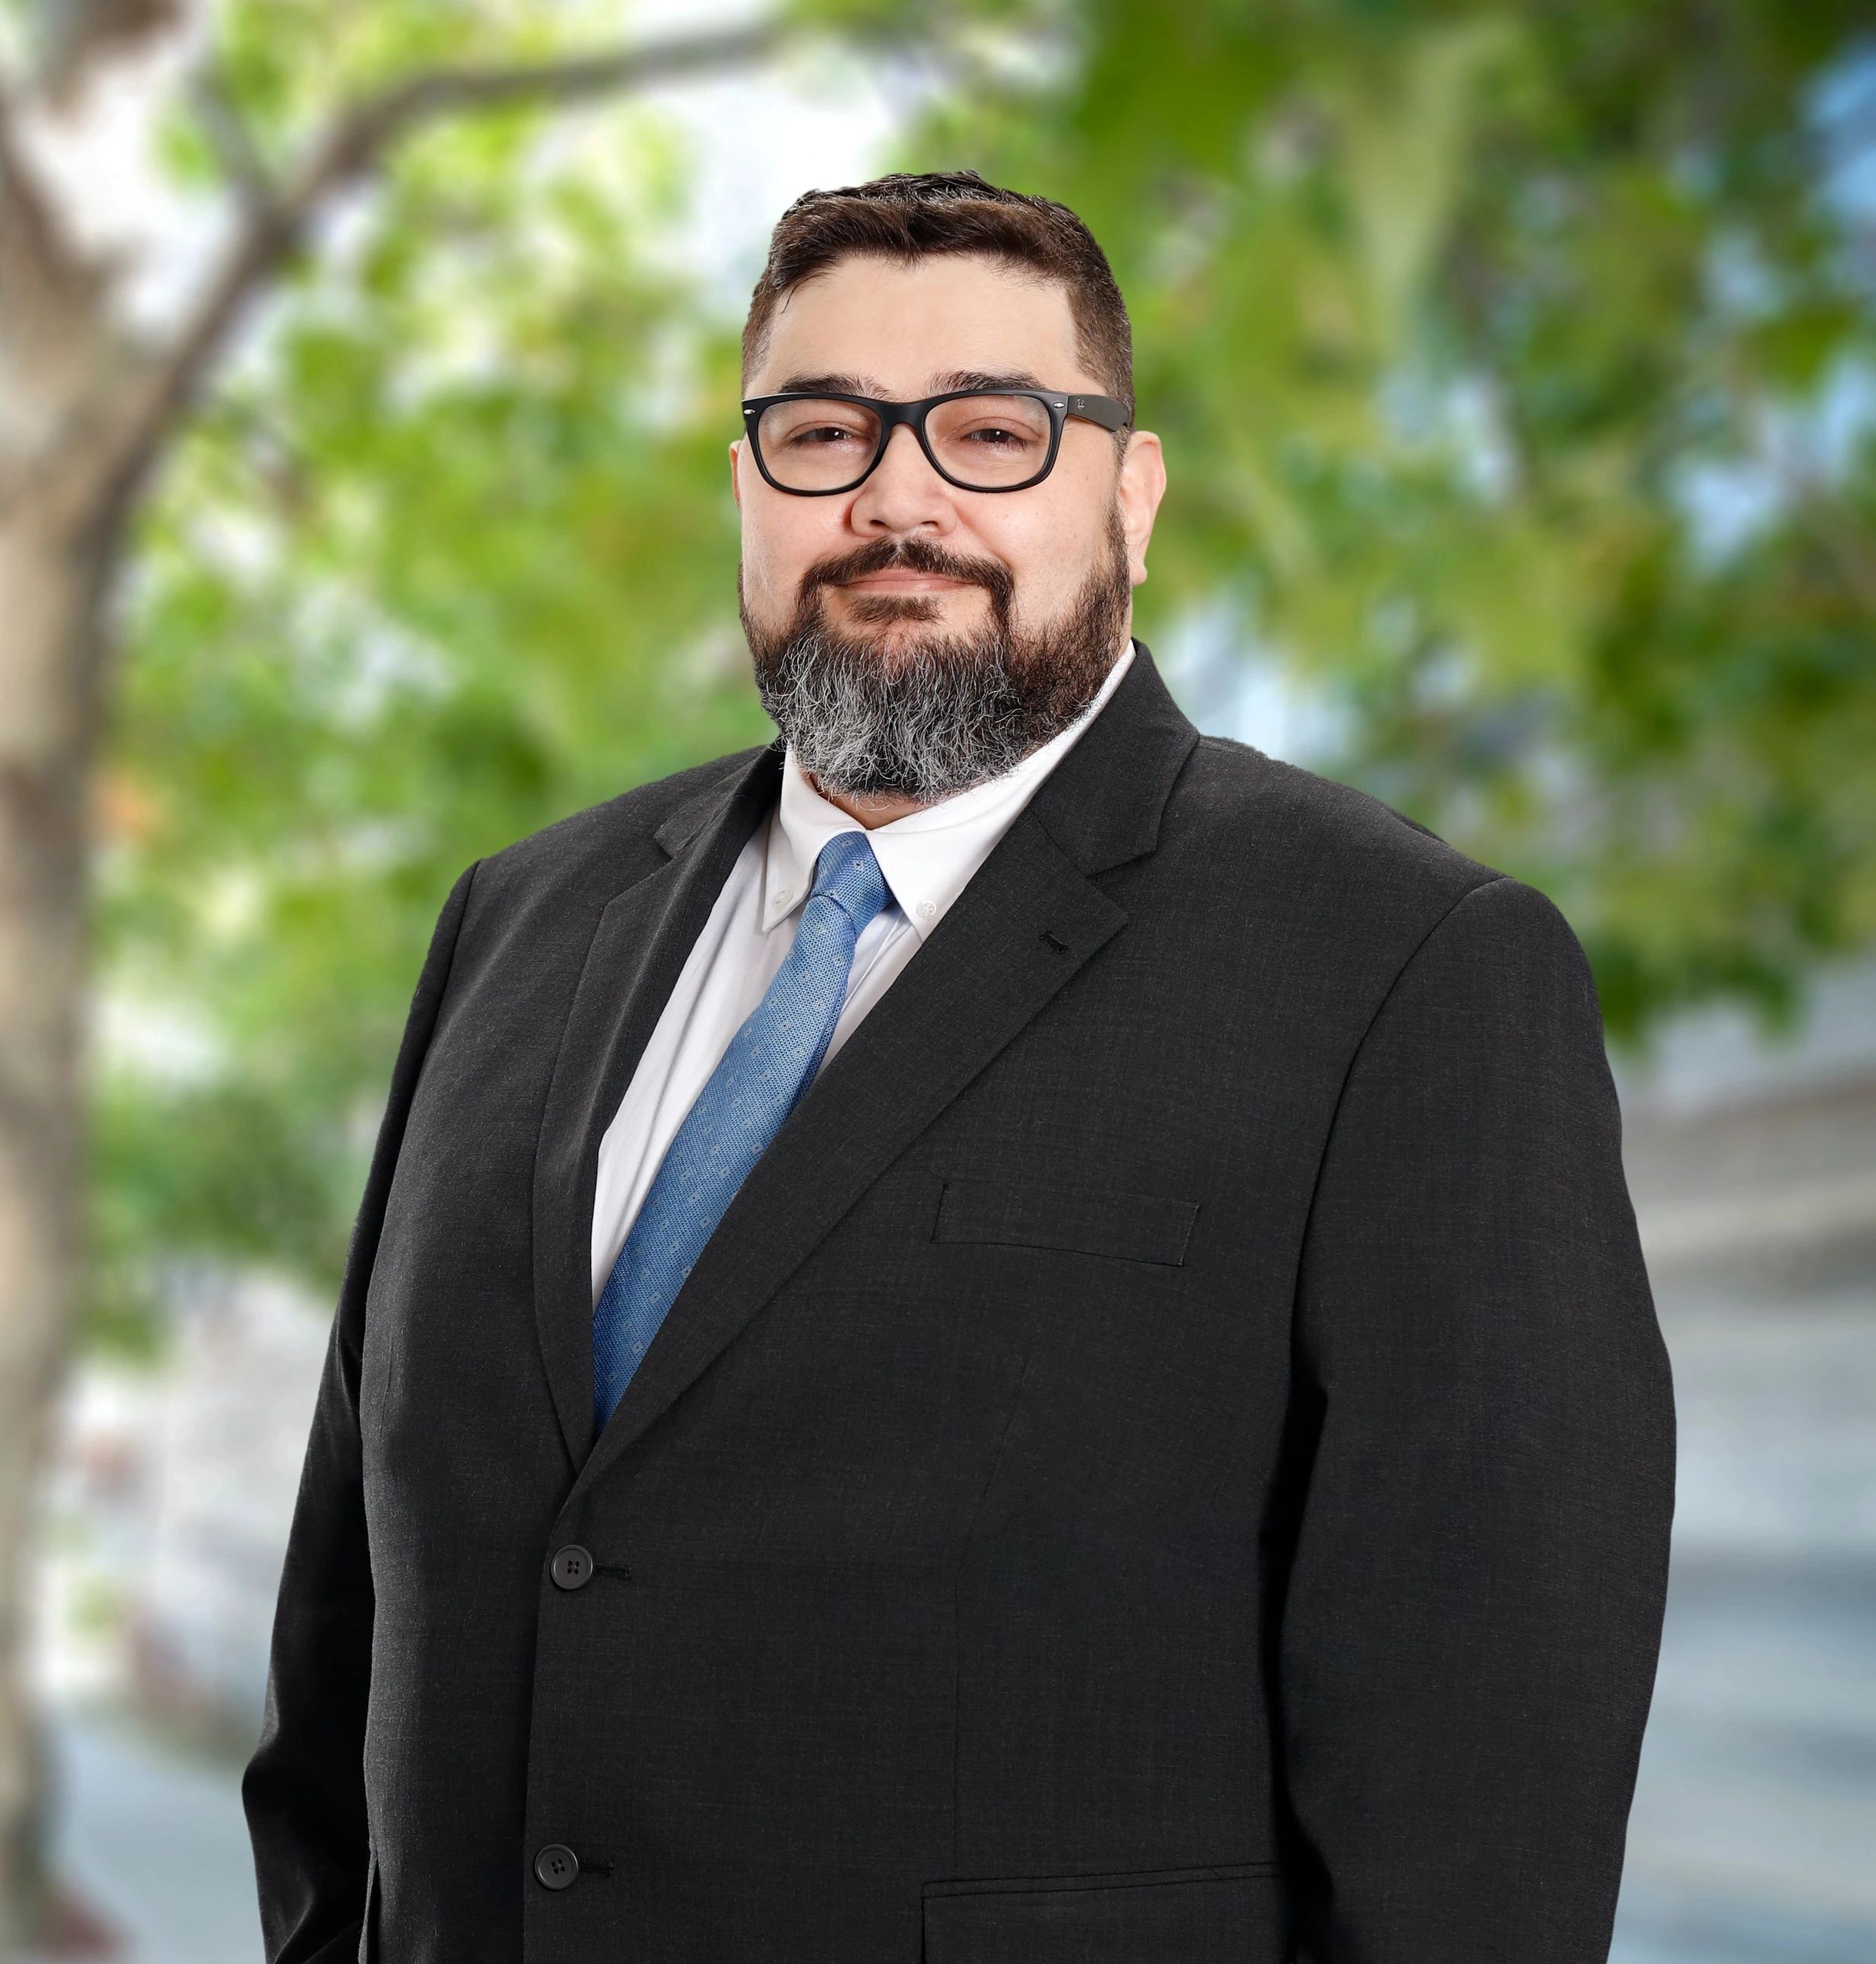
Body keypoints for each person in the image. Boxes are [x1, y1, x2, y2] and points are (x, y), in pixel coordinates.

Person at [242, 170, 1675, 1964]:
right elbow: (349, 1626)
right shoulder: (516, 922)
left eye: (992, 430)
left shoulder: (1404, 970)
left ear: (1129, 498)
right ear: (744, 488)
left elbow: (1482, 1816)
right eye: (820, 429)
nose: (894, 495)